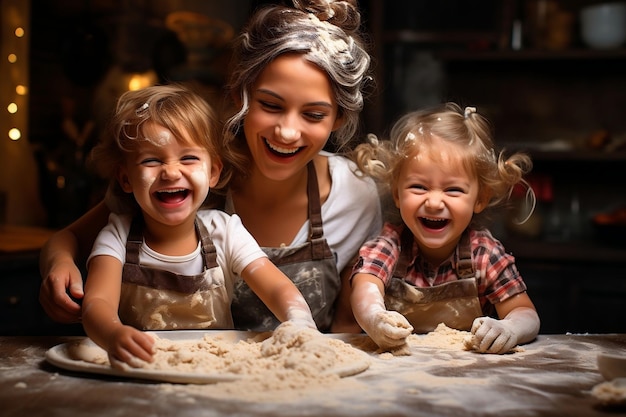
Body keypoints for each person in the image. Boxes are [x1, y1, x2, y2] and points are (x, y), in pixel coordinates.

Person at [39, 0, 382, 333]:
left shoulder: (355, 195)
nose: (288, 132)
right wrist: (59, 266)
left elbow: (347, 326)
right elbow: (66, 240)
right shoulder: (187, 177)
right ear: (239, 94)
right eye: (270, 105)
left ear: (338, 117)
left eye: (313, 114)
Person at [80, 84, 316, 367]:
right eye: (151, 160)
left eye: (188, 158)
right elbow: (97, 304)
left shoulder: (225, 231)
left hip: (219, 370)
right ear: (126, 178)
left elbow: (278, 288)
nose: (170, 172)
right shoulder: (117, 234)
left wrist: (299, 320)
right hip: (141, 370)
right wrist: (113, 334)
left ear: (213, 171)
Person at [349, 103, 540, 354]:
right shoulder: (390, 244)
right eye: (419, 187)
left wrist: (510, 328)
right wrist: (373, 316)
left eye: (453, 190)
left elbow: (525, 313)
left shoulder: (484, 253)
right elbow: (365, 288)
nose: (434, 202)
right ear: (397, 194)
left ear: (480, 199)